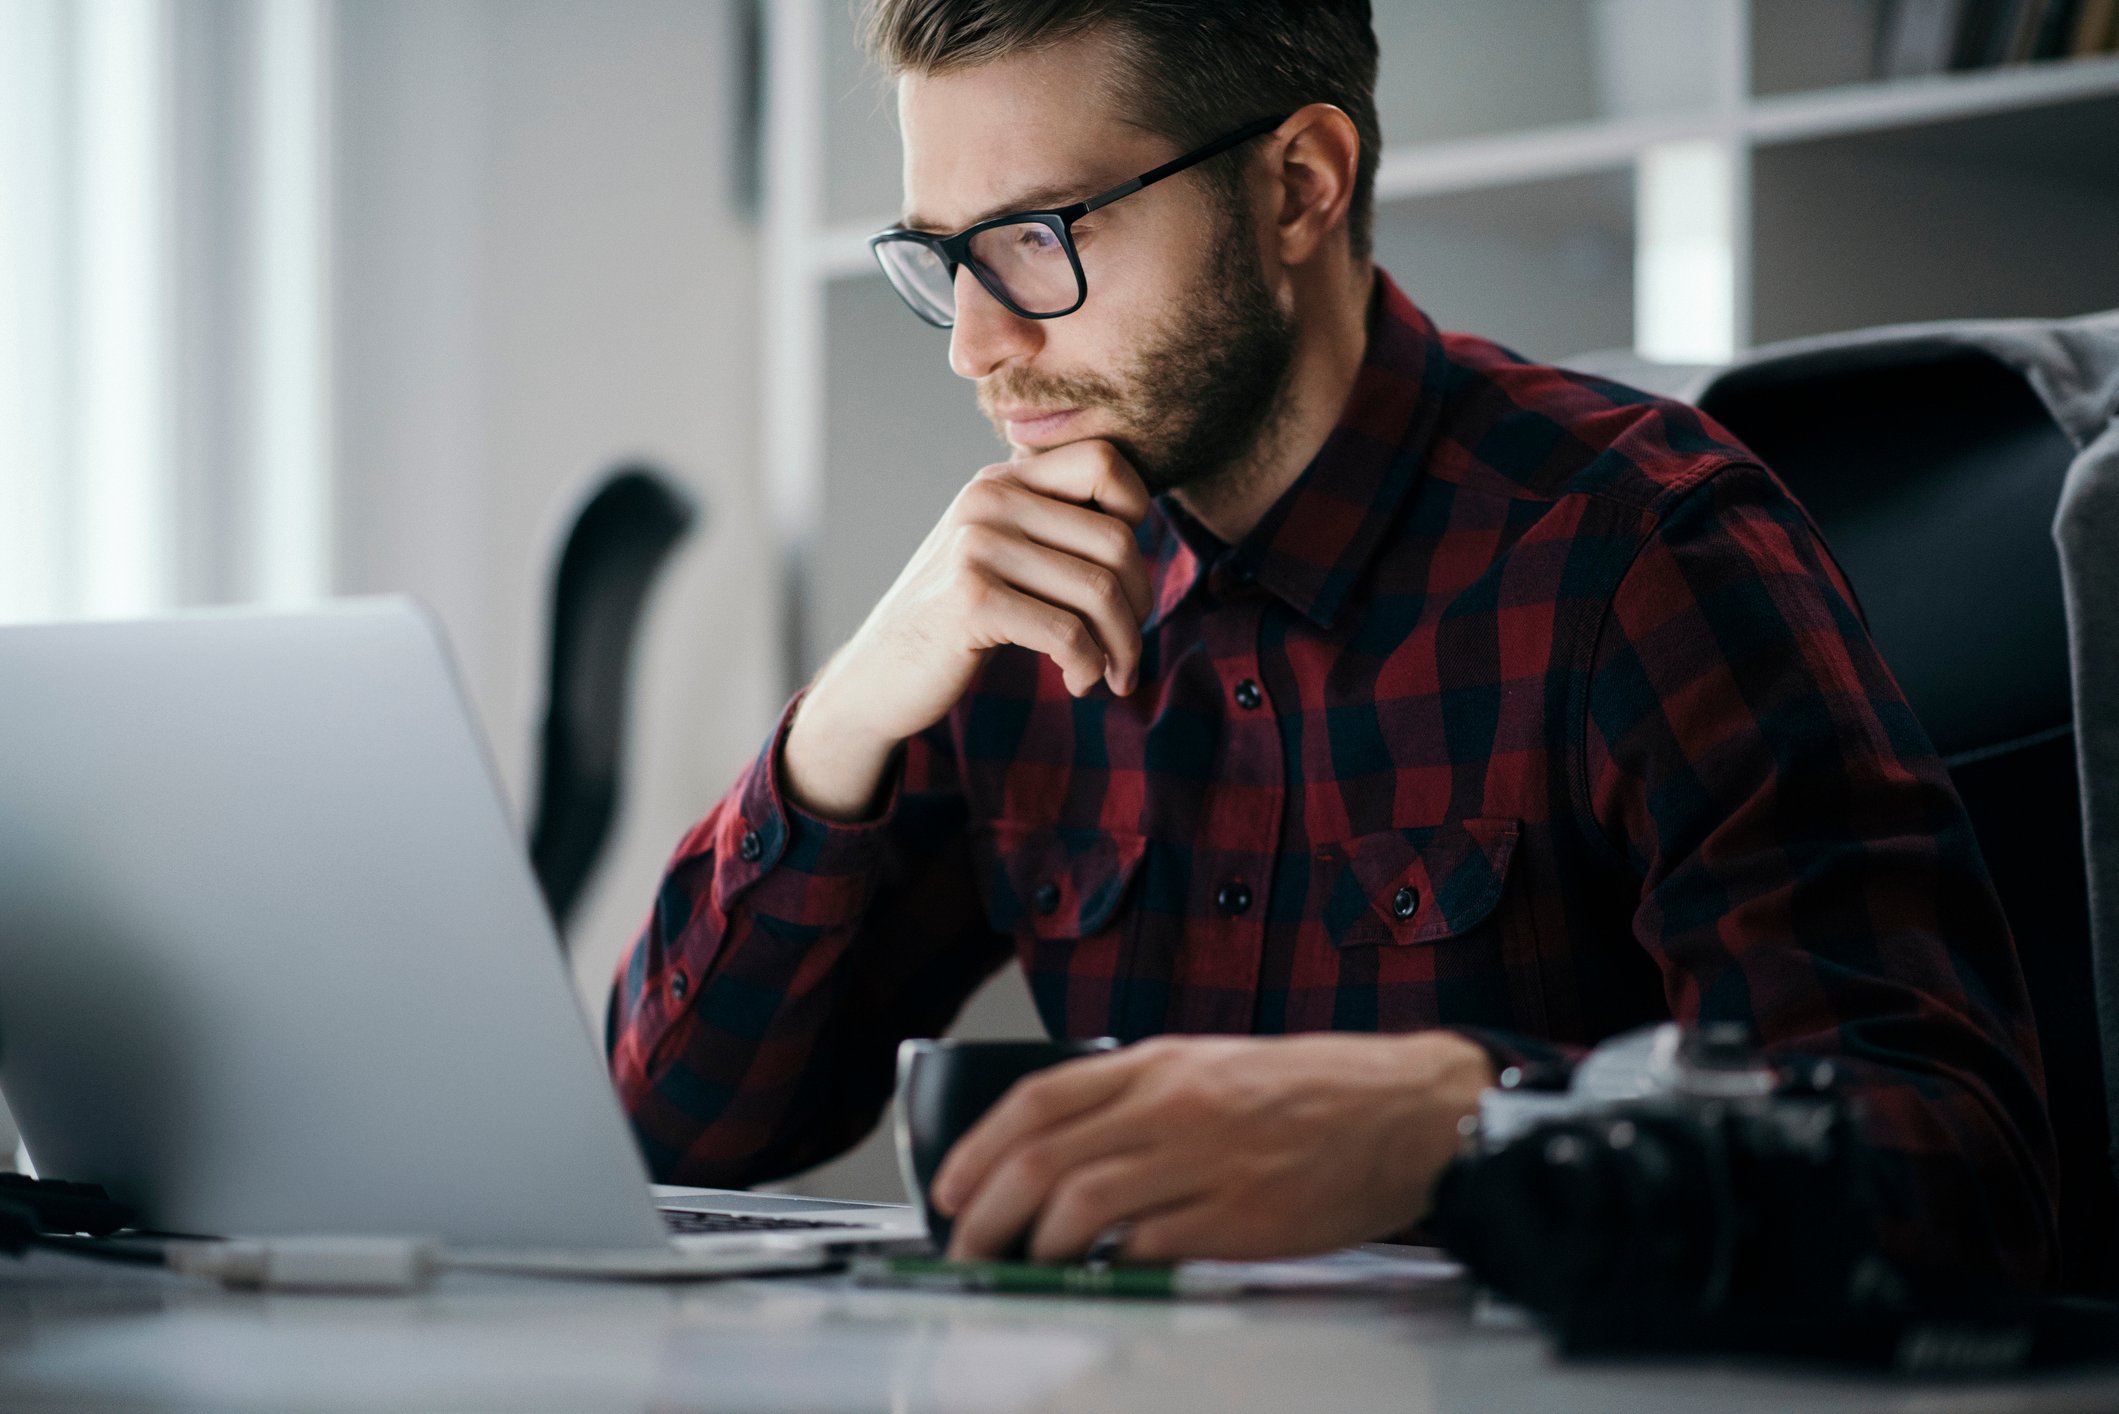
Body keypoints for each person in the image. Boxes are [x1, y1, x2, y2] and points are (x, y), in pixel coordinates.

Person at [610, 0, 2056, 1284]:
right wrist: (841, 724)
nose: (974, 346)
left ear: (1299, 184)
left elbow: (1957, 1164)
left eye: (1039, 238)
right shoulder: (1010, 610)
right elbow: (676, 1134)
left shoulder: (1644, 551)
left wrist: (1459, 1122)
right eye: (944, 258)